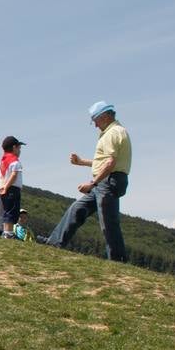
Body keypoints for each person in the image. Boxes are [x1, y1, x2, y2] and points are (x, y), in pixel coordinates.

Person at [45, 101, 133, 262]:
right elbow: (105, 161)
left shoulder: (112, 134)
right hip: (108, 180)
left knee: (108, 222)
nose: (95, 125)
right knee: (77, 209)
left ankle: (118, 260)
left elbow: (110, 163)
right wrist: (81, 162)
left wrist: (92, 183)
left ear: (105, 117)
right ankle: (54, 242)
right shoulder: (117, 131)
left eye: (95, 120)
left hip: (107, 181)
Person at [0, 136, 27, 238]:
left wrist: (2, 187)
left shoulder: (3, 160)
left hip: (4, 188)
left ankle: (6, 231)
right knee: (12, 211)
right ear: (14, 147)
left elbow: (2, 176)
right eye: (19, 148)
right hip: (12, 189)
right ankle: (9, 233)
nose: (20, 151)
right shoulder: (15, 161)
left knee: (7, 210)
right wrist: (6, 187)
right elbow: (14, 175)